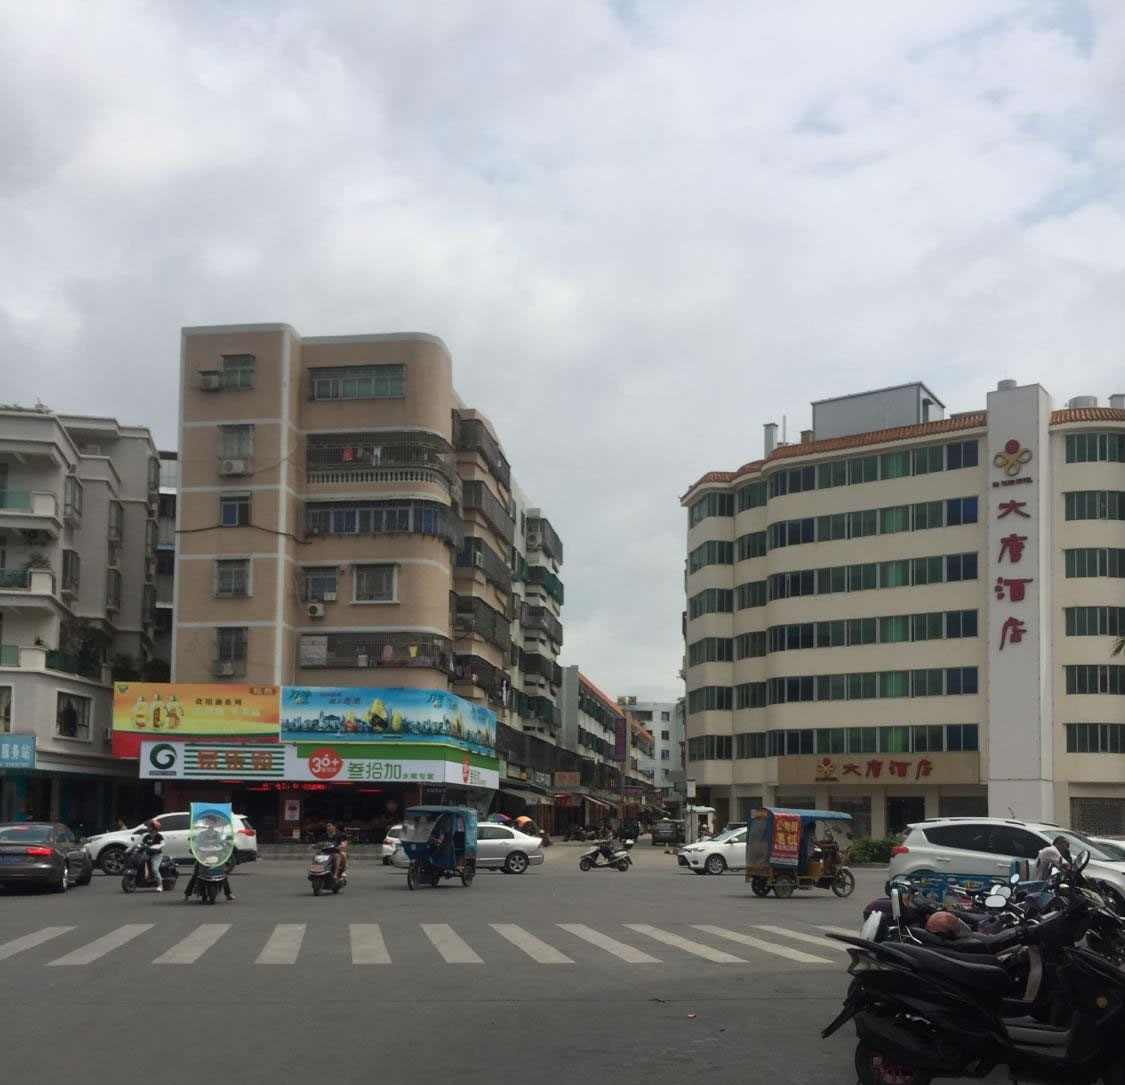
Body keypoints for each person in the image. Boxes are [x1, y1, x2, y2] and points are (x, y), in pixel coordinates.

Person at [139, 820, 164, 891]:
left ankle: (160, 885)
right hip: (147, 855)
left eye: (149, 826)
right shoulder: (146, 836)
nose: (147, 828)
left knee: (154, 869)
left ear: (154, 827)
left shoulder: (159, 836)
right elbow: (142, 844)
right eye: (147, 826)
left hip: (156, 856)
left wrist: (158, 846)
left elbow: (163, 844)